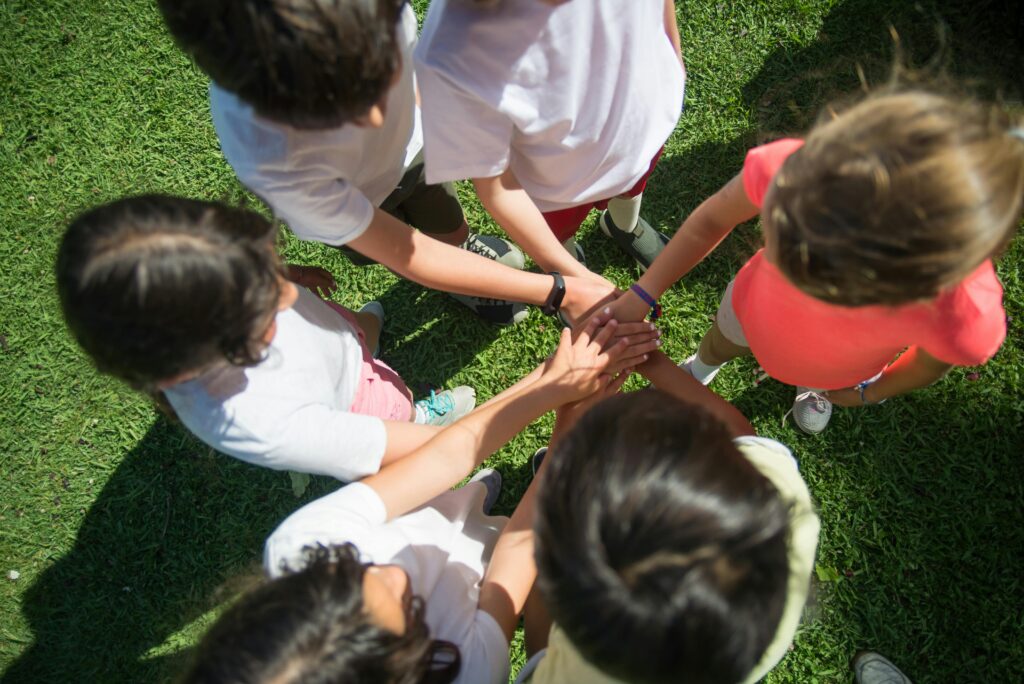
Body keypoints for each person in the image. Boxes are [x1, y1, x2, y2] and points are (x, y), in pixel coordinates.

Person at [179, 314, 660, 684]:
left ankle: (481, 495)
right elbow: (511, 561)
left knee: (465, 496)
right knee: (493, 527)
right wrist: (570, 430)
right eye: (409, 608)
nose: (393, 572)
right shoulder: (468, 672)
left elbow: (441, 459)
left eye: (352, 566)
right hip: (486, 558)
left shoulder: (302, 546)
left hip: (436, 504)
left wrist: (550, 383)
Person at [156, 0, 616, 327]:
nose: (377, 116)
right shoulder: (272, 163)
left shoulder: (370, 11)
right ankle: (460, 283)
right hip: (360, 204)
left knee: (448, 221)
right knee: (408, 251)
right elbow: (402, 252)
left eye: (380, 72)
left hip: (417, 155)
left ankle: (462, 249)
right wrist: (555, 290)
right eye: (335, 113)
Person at [606, 88, 1022, 432]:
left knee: (820, 373)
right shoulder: (799, 172)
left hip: (843, 367)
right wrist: (644, 291)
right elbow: (712, 218)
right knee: (722, 340)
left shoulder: (966, 315)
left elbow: (931, 364)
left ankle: (814, 388)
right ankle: (702, 366)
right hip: (749, 310)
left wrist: (868, 391)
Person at [56, 195, 484, 482]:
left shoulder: (213, 290)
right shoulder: (256, 421)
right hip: (357, 402)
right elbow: (390, 452)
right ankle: (419, 414)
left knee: (352, 332)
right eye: (264, 298)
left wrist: (288, 274)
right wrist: (466, 445)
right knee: (398, 405)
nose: (289, 294)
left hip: (334, 340)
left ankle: (366, 340)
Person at [512, 358, 820, 684]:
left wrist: (561, 454)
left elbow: (540, 646)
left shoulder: (568, 678)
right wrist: (649, 360)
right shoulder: (778, 507)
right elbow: (742, 435)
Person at [414, 0, 686, 278]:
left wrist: (674, 57)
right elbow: (496, 187)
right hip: (558, 190)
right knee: (559, 236)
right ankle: (570, 264)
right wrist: (575, 280)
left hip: (642, 138)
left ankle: (624, 227)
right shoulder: (451, 52)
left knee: (632, 191)